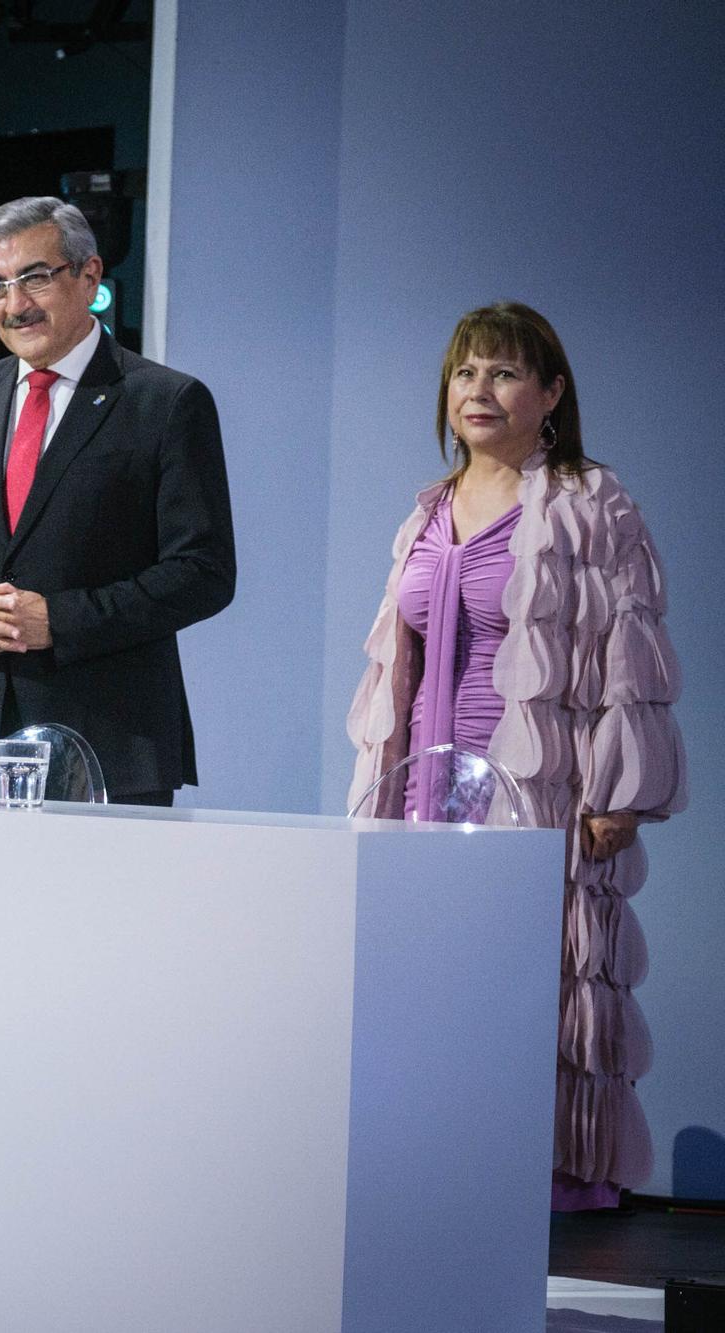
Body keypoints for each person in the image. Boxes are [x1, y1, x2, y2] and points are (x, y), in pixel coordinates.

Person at [347, 302, 686, 1211]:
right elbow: (398, 667)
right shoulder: (427, 510)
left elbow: (630, 648)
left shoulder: (591, 501)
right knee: (434, 976)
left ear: (551, 393)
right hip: (429, 783)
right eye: (465, 373)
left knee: (540, 975)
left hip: (544, 785)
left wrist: (620, 792)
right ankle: (444, 1160)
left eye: (502, 372)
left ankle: (543, 1179)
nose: (480, 390)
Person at [0, 196, 235, 802]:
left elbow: (203, 572)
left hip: (112, 746)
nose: (15, 305)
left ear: (90, 275)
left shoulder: (165, 402)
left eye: (35, 278)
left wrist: (60, 620)